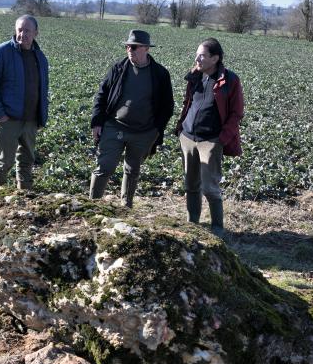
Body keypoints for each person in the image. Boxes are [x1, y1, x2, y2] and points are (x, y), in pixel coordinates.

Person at [89, 29, 174, 207]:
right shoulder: (118, 67)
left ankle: (126, 207)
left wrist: (156, 132)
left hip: (143, 132)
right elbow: (101, 95)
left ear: (146, 49)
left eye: (134, 47)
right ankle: (92, 205)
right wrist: (97, 122)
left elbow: (167, 107)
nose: (130, 50)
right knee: (104, 167)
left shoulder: (160, 74)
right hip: (115, 126)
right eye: (128, 46)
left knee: (132, 170)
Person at [173, 38, 244, 237]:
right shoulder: (196, 75)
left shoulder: (230, 80)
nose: (197, 58)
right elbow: (188, 102)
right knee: (190, 184)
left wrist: (221, 139)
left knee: (210, 187)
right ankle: (193, 223)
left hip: (211, 141)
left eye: (202, 55)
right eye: (197, 54)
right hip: (188, 137)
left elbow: (236, 113)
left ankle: (217, 228)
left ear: (215, 58)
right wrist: (181, 129)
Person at [0, 15, 49, 189]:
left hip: (31, 120)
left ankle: (24, 197)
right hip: (8, 119)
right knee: (3, 163)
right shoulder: (1, 52)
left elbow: (43, 88)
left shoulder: (40, 57)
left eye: (27, 30)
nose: (22, 34)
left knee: (27, 162)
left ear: (36, 33)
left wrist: (41, 116)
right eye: (20, 29)